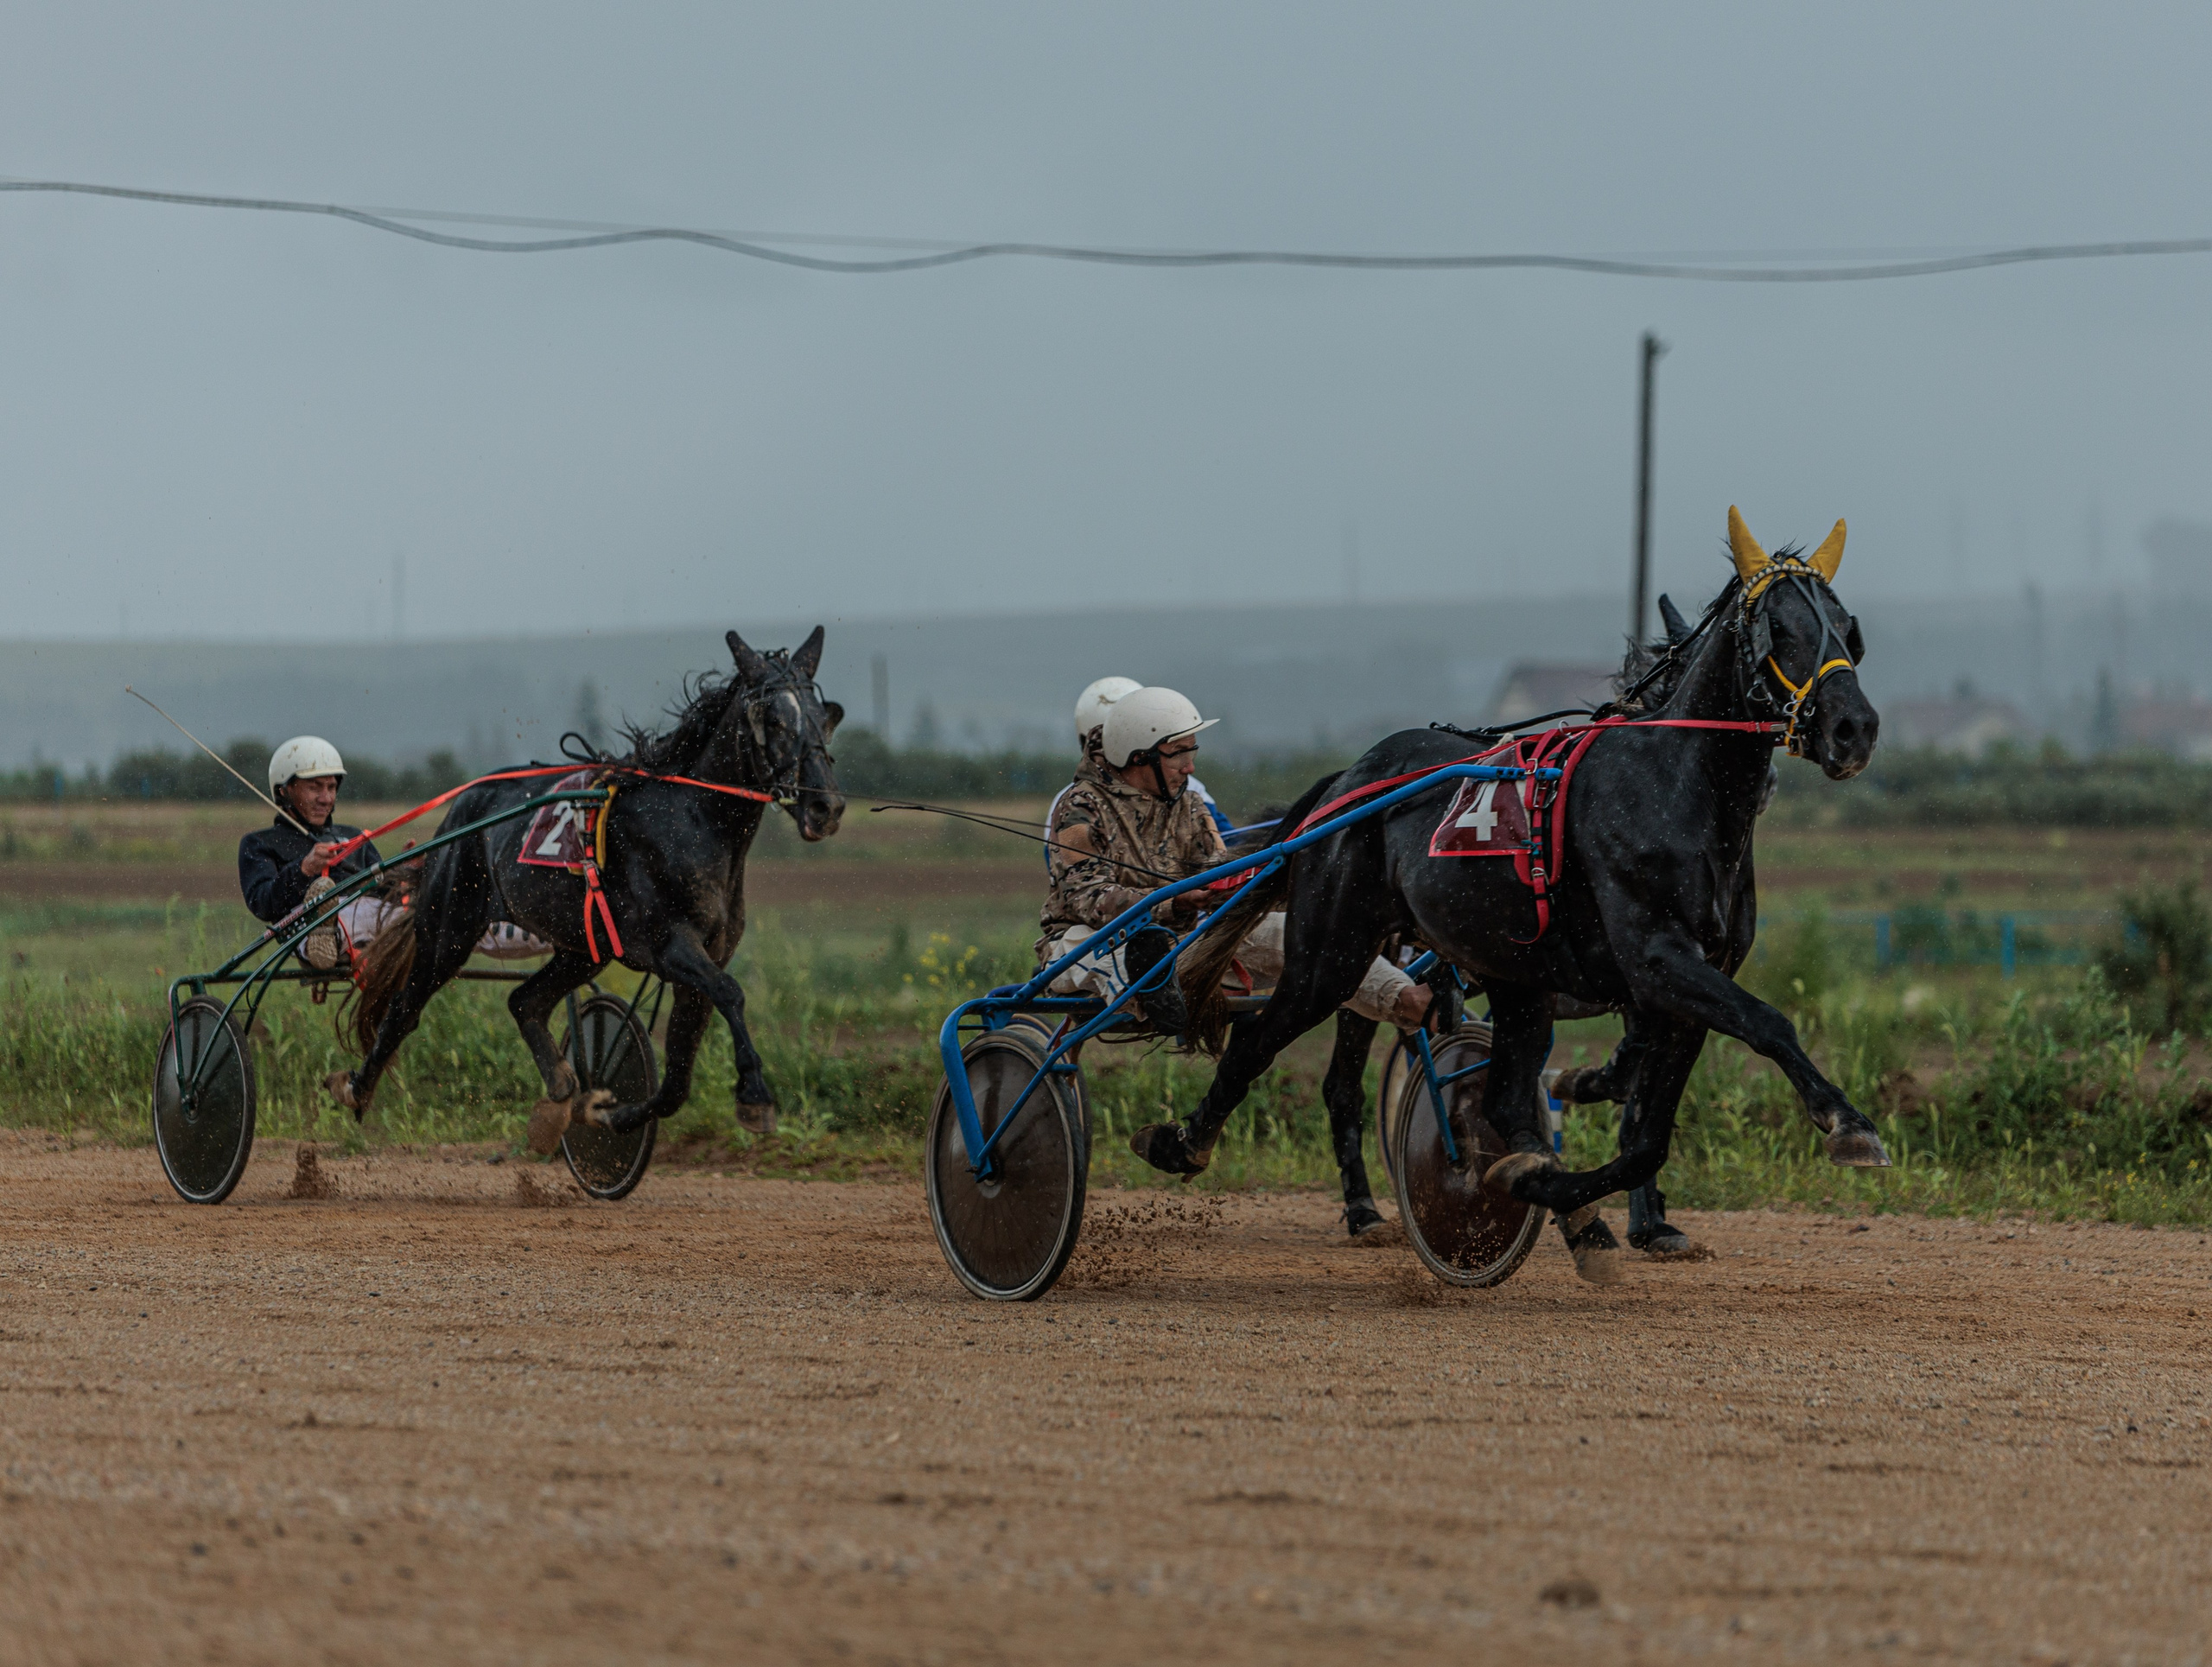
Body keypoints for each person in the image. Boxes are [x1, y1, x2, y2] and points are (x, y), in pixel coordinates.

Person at [1036, 687, 1429, 1033]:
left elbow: (1218, 869)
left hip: (1184, 940)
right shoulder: (1079, 808)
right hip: (1087, 940)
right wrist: (1172, 901)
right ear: (1139, 757)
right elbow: (1086, 898)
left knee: (1302, 931)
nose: (1190, 768)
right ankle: (1154, 988)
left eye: (1193, 753)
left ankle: (1408, 1000)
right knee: (1107, 948)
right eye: (1178, 756)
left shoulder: (1189, 804)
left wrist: (1249, 887)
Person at [238, 736, 543, 970]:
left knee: (452, 913)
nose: (326, 798)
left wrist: (409, 872)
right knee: (335, 903)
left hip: (378, 915)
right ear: (283, 791)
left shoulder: (352, 835)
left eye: (331, 787)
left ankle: (535, 930)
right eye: (314, 788)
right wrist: (304, 869)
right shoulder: (260, 844)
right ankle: (324, 925)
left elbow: (384, 888)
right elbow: (263, 904)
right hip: (304, 925)